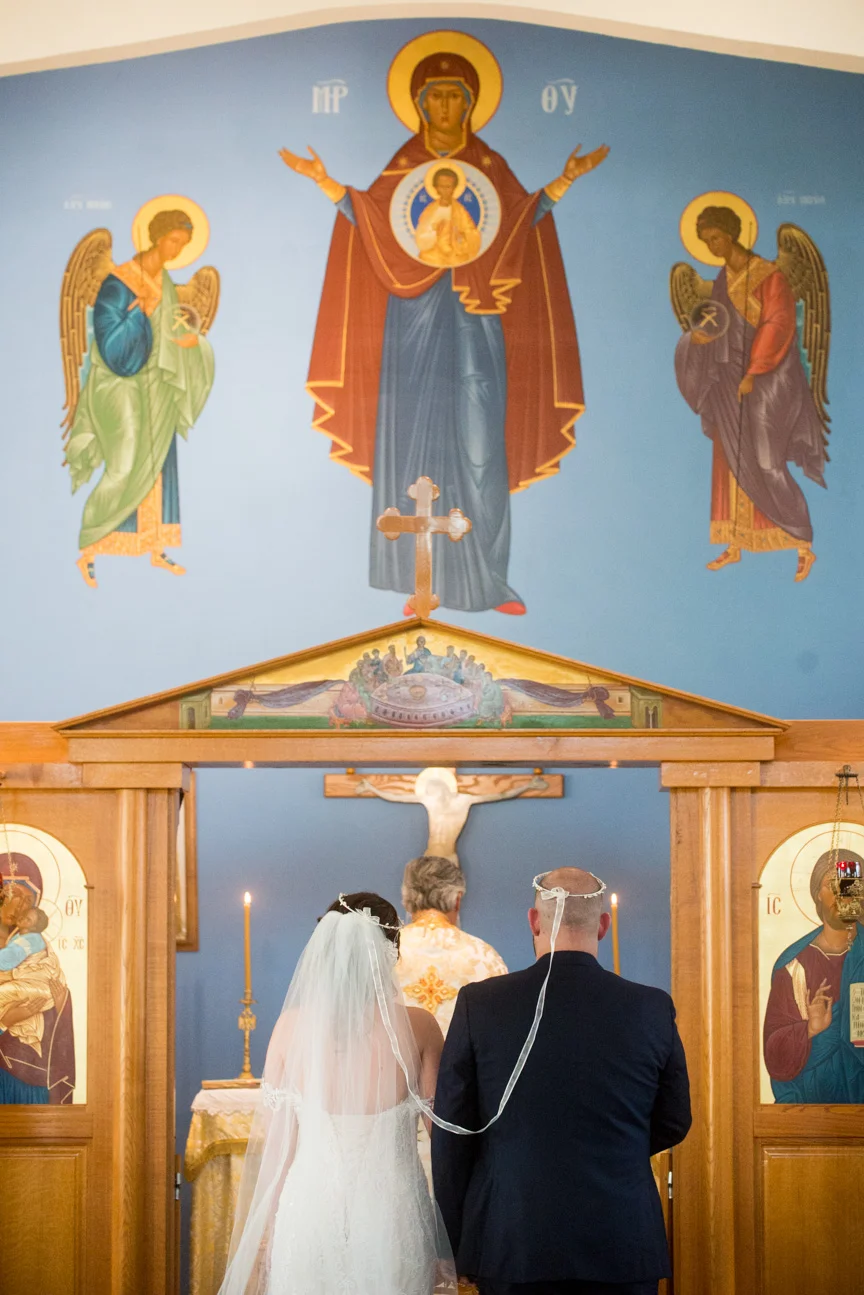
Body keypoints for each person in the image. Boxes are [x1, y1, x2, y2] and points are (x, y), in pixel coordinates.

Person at [281, 35, 607, 615]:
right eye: (434, 98)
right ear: (421, 104)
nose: (444, 108)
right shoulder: (405, 165)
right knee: (414, 452)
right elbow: (372, 218)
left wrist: (565, 181)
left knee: (483, 452)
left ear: (470, 104)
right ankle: (421, 584)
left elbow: (521, 221)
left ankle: (487, 581)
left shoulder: (489, 167)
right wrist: (324, 183)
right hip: (413, 324)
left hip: (477, 327)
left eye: (455, 98)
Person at [432, 867, 691, 1295]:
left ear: (534, 921)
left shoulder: (481, 1005)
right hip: (621, 1238)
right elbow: (675, 1119)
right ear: (603, 926)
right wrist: (616, 1149)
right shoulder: (651, 1007)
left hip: (512, 1237)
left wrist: (456, 1241)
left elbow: (451, 1133)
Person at [219, 892, 456, 1295]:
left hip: (308, 1209)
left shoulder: (290, 1029)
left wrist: (267, 1233)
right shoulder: (419, 1027)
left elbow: (279, 1146)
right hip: (392, 1214)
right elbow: (442, 1139)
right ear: (391, 953)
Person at [63, 208, 216, 587]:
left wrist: (188, 341)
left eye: (184, 245)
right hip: (118, 383)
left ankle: (155, 545)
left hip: (155, 386)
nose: (177, 250)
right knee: (125, 462)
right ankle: (89, 549)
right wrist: (137, 317)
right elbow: (107, 336)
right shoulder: (118, 281)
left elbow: (171, 332)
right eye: (174, 241)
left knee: (160, 463)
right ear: (156, 237)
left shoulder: (165, 282)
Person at [674, 205, 826, 581]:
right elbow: (717, 328)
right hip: (730, 382)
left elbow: (778, 324)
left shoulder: (769, 276)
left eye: (715, 238)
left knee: (766, 461)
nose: (711, 247)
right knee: (730, 457)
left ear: (731, 234)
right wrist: (697, 339)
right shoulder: (723, 280)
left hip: (768, 381)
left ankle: (804, 544)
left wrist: (754, 371)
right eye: (706, 241)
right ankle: (737, 542)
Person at [764, 850, 864, 1102]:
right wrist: (809, 1029)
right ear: (818, 893)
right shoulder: (793, 965)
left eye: (850, 885)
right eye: (833, 884)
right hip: (811, 1107)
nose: (842, 895)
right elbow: (774, 1052)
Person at [357, 767, 548, 863]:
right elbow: (396, 796)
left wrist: (528, 785)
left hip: (449, 856)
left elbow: (500, 794)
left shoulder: (464, 800)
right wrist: (371, 787)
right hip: (429, 854)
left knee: (449, 900)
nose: (428, 793)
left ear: (443, 787)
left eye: (432, 789)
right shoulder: (430, 801)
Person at [415, 167, 482, 266]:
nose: (445, 190)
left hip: (455, 252)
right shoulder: (430, 210)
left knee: (461, 262)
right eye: (441, 186)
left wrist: (459, 235)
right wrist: (434, 231)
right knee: (426, 259)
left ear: (454, 188)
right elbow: (421, 235)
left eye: (448, 186)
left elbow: (472, 234)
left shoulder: (460, 211)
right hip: (434, 253)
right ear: (436, 188)